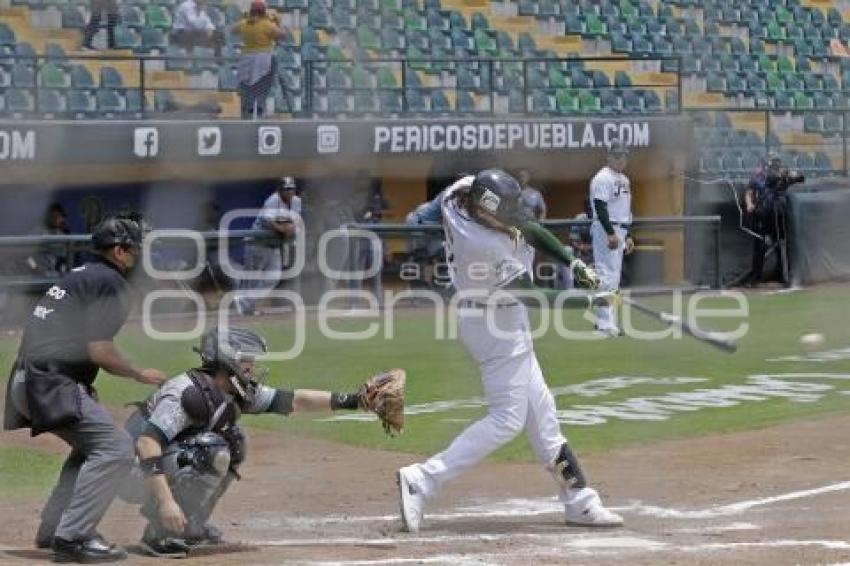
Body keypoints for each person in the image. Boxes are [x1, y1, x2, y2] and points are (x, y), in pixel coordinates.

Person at [396, 169, 623, 533]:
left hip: (490, 315)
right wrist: (591, 298)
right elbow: (532, 295)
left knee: (543, 415)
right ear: (486, 212)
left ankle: (579, 500)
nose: (511, 218)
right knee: (507, 420)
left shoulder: (464, 191)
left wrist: (573, 262)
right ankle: (422, 479)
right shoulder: (486, 248)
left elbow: (525, 224)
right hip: (495, 326)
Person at [122, 326, 404, 557]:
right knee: (210, 450)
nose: (252, 367)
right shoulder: (186, 392)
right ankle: (159, 534)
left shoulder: (232, 392)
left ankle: (191, 524)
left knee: (233, 441)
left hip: (159, 464)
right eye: (247, 360)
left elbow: (295, 400)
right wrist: (166, 502)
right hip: (132, 471)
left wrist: (356, 401)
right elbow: (147, 444)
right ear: (228, 360)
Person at [3, 215, 168, 563]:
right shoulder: (112, 284)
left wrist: (77, 381)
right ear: (120, 252)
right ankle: (73, 537)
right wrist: (139, 373)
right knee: (116, 448)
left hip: (31, 379)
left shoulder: (84, 274)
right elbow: (100, 351)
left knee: (90, 448)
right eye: (137, 250)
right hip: (49, 382)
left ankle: (53, 529)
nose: (141, 258)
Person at [236, 176, 301, 315]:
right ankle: (243, 307)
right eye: (286, 190)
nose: (289, 192)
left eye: (291, 189)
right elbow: (268, 223)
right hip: (257, 243)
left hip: (274, 245)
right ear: (279, 190)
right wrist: (283, 229)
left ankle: (245, 303)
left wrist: (286, 228)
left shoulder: (296, 201)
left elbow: (293, 223)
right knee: (252, 278)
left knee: (274, 276)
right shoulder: (272, 200)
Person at [589, 141, 635, 337]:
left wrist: (629, 234)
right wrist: (610, 232)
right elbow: (600, 207)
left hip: (620, 228)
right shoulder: (602, 177)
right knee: (606, 276)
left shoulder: (624, 179)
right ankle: (603, 324)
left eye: (623, 156)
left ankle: (608, 322)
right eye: (616, 156)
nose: (620, 159)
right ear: (608, 156)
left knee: (613, 279)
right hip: (607, 228)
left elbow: (624, 208)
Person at [744, 152, 801, 287]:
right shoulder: (757, 178)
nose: (775, 167)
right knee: (759, 247)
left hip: (776, 215)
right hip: (761, 214)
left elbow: (800, 177)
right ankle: (755, 280)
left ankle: (784, 277)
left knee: (780, 245)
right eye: (772, 164)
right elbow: (749, 192)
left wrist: (790, 175)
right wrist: (749, 204)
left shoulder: (781, 178)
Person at [230, 0, 285, 119]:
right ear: (263, 11)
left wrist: (245, 18)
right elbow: (281, 35)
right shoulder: (267, 24)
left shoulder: (244, 23)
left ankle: (247, 111)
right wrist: (277, 22)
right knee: (262, 87)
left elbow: (232, 30)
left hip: (247, 59)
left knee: (247, 87)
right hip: (264, 58)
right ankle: (260, 109)